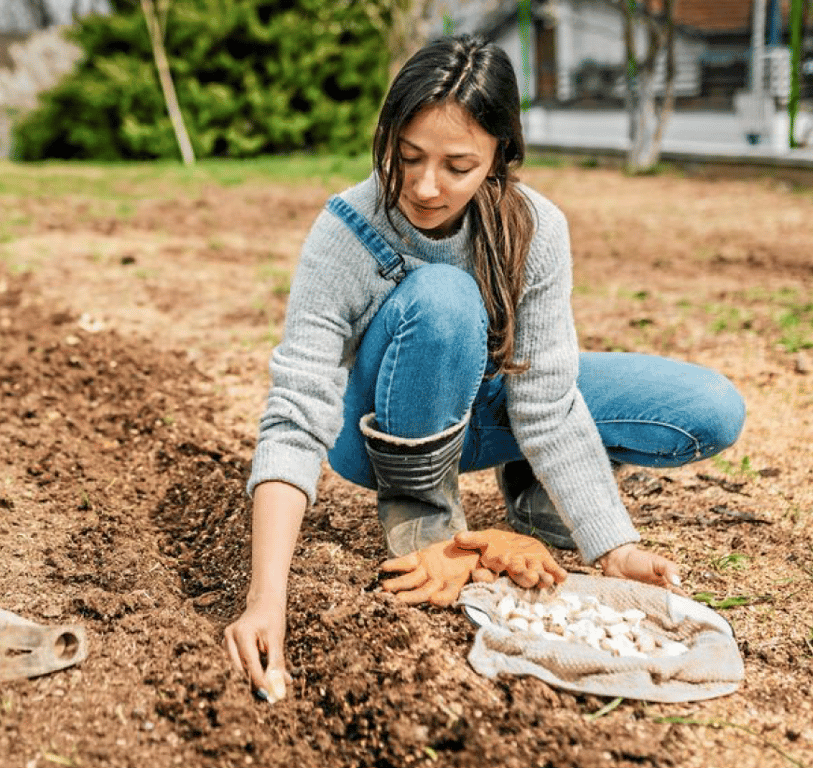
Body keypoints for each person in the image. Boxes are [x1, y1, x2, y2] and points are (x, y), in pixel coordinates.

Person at [222, 34, 746, 703]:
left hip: (486, 401)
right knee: (445, 298)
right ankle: (426, 515)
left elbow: (547, 401)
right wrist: (266, 598)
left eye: (457, 165)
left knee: (706, 408)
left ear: (501, 157)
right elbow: (296, 413)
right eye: (406, 157)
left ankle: (532, 490)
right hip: (379, 430)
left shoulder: (537, 229)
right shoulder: (347, 230)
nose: (425, 185)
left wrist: (613, 548)